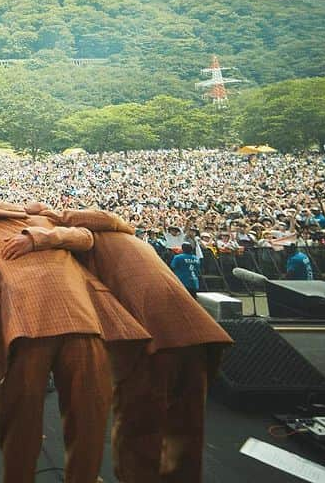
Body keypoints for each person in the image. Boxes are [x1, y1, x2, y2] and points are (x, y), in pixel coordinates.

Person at [0, 203, 150, 483]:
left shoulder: (41, 218)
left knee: (88, 417)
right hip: (25, 318)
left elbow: (89, 235)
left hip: (76, 314)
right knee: (23, 420)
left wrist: (41, 237)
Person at [32, 205, 232, 483]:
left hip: (150, 342)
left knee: (139, 439)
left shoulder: (79, 243)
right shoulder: (127, 238)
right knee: (186, 435)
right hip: (195, 333)